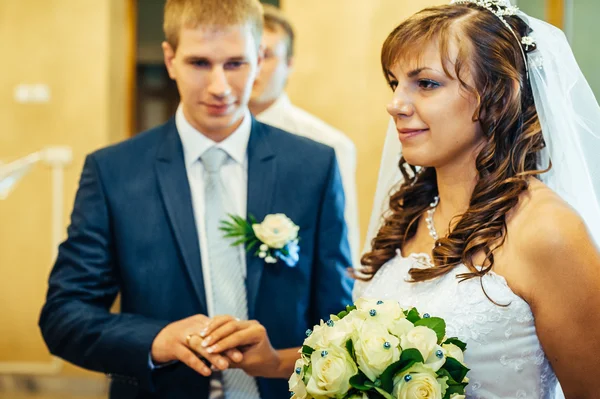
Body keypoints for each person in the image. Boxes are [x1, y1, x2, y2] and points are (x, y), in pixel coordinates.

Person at [191, 1, 600, 398]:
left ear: (495, 95)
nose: (395, 105)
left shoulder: (549, 231)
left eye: (425, 83)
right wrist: (274, 362)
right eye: (395, 83)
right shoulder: (411, 215)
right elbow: (377, 363)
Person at [38, 0, 353, 398]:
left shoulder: (313, 165)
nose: (219, 86)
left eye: (235, 64)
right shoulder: (113, 172)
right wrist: (157, 339)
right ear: (170, 60)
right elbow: (64, 315)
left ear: (259, 59)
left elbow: (338, 320)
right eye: (200, 63)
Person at [248, 5, 360, 266]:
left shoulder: (328, 145)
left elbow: (343, 245)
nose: (256, 67)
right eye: (248, 55)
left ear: (289, 64)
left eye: (267, 55)